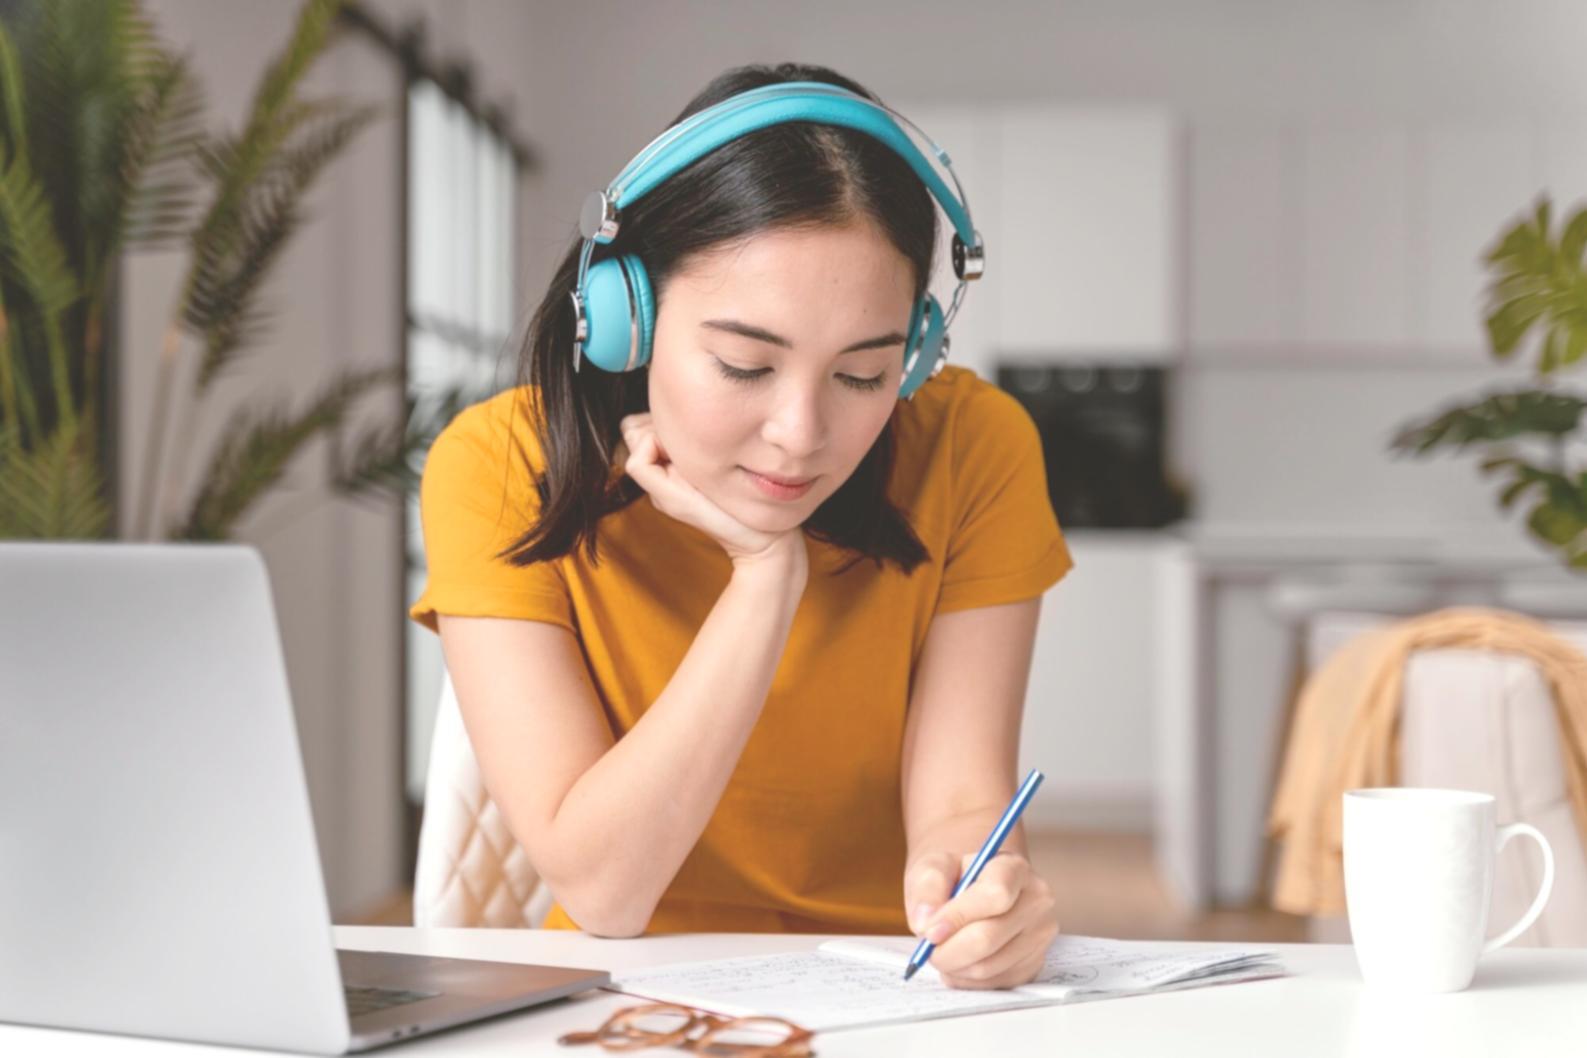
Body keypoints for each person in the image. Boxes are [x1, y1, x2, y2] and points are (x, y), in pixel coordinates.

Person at [409, 62, 1074, 990]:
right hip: (622, 992)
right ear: (623, 321)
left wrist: (981, 891)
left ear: (915, 354)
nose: (800, 436)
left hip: (891, 984)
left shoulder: (973, 446)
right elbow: (605, 893)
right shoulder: (496, 466)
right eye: (742, 365)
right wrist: (763, 576)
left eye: (860, 376)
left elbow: (963, 800)